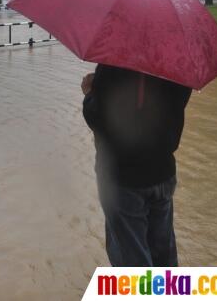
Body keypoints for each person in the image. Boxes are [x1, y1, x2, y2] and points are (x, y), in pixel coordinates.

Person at [82, 64, 192, 267]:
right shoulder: (178, 63)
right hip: (163, 171)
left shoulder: (116, 61)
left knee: (131, 260)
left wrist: (89, 93)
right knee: (163, 252)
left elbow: (99, 117)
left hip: (122, 177)